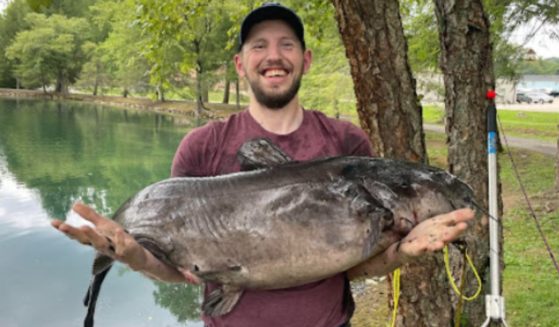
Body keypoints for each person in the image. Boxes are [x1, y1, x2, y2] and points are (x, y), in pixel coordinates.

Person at [51, 3, 474, 327]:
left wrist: (399, 252)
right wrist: (135, 257)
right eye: (260, 46)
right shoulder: (202, 146)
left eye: (286, 44)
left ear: (305, 59)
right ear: (241, 64)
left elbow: (355, 264)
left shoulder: (347, 144)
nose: (275, 56)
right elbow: (184, 271)